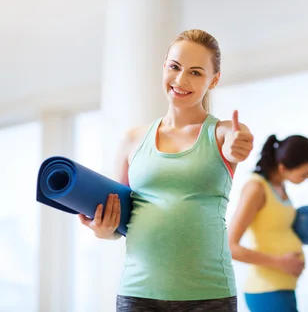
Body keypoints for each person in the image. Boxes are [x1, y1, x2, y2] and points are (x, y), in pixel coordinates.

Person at [77, 29, 254, 312]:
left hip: (209, 296)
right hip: (138, 294)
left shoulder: (224, 132)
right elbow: (119, 219)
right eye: (175, 67)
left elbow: (238, 142)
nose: (181, 80)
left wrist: (237, 149)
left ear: (214, 79)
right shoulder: (132, 139)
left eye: (196, 73)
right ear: (164, 67)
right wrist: (103, 229)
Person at [228, 134, 308, 312]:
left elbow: (279, 231)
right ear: (283, 167)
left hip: (282, 288)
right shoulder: (256, 189)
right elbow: (230, 246)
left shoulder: (279, 187)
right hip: (266, 290)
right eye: (304, 173)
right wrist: (280, 262)